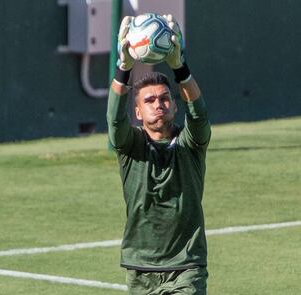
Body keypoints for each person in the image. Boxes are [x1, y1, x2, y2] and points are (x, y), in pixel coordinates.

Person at [107, 14, 211, 295]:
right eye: (150, 101)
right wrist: (123, 68)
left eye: (165, 98)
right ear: (138, 112)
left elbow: (199, 116)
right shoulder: (131, 146)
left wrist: (180, 68)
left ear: (174, 106)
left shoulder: (190, 144)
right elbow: (115, 121)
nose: (159, 104)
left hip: (186, 265)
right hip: (140, 268)